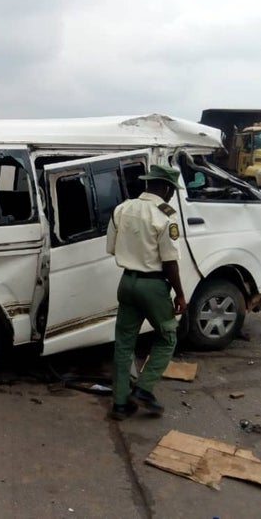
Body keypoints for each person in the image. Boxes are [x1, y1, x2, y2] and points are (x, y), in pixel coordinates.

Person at [106, 164, 187, 421]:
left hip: (127, 282)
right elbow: (170, 261)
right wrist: (180, 294)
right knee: (167, 336)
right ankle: (143, 388)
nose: (172, 197)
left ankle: (120, 404)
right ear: (165, 188)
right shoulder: (164, 215)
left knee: (124, 342)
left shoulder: (122, 208)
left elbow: (111, 248)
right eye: (172, 191)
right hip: (153, 286)